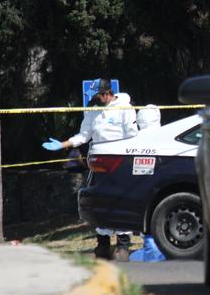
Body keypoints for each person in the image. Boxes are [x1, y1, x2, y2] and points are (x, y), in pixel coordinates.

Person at [41, 78, 138, 261]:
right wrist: (63, 144)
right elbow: (84, 135)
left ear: (107, 93)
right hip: (98, 160)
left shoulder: (124, 108)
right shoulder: (92, 110)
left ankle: (123, 244)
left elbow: (132, 135)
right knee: (99, 201)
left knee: (120, 200)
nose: (93, 99)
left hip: (119, 160)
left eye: (97, 96)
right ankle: (102, 245)